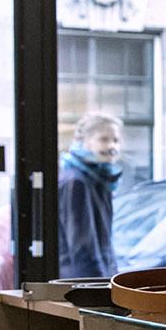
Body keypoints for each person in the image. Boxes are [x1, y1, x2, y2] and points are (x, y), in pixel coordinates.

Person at [58, 112, 123, 278]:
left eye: (116, 140)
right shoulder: (76, 182)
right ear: (83, 141)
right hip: (82, 280)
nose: (112, 146)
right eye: (104, 139)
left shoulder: (100, 179)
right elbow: (82, 250)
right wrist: (100, 286)